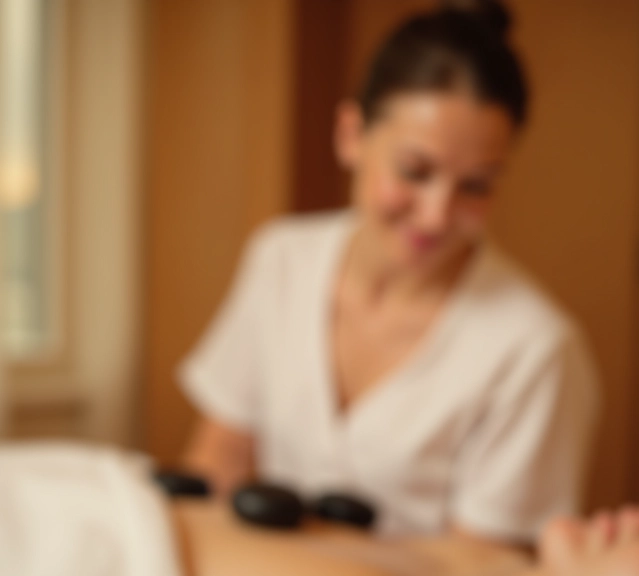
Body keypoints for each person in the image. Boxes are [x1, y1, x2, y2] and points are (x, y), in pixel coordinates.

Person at [179, 0, 599, 543]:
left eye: (476, 185)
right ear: (351, 134)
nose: (437, 214)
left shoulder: (534, 349)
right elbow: (221, 454)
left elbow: (480, 561)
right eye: (415, 171)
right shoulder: (282, 258)